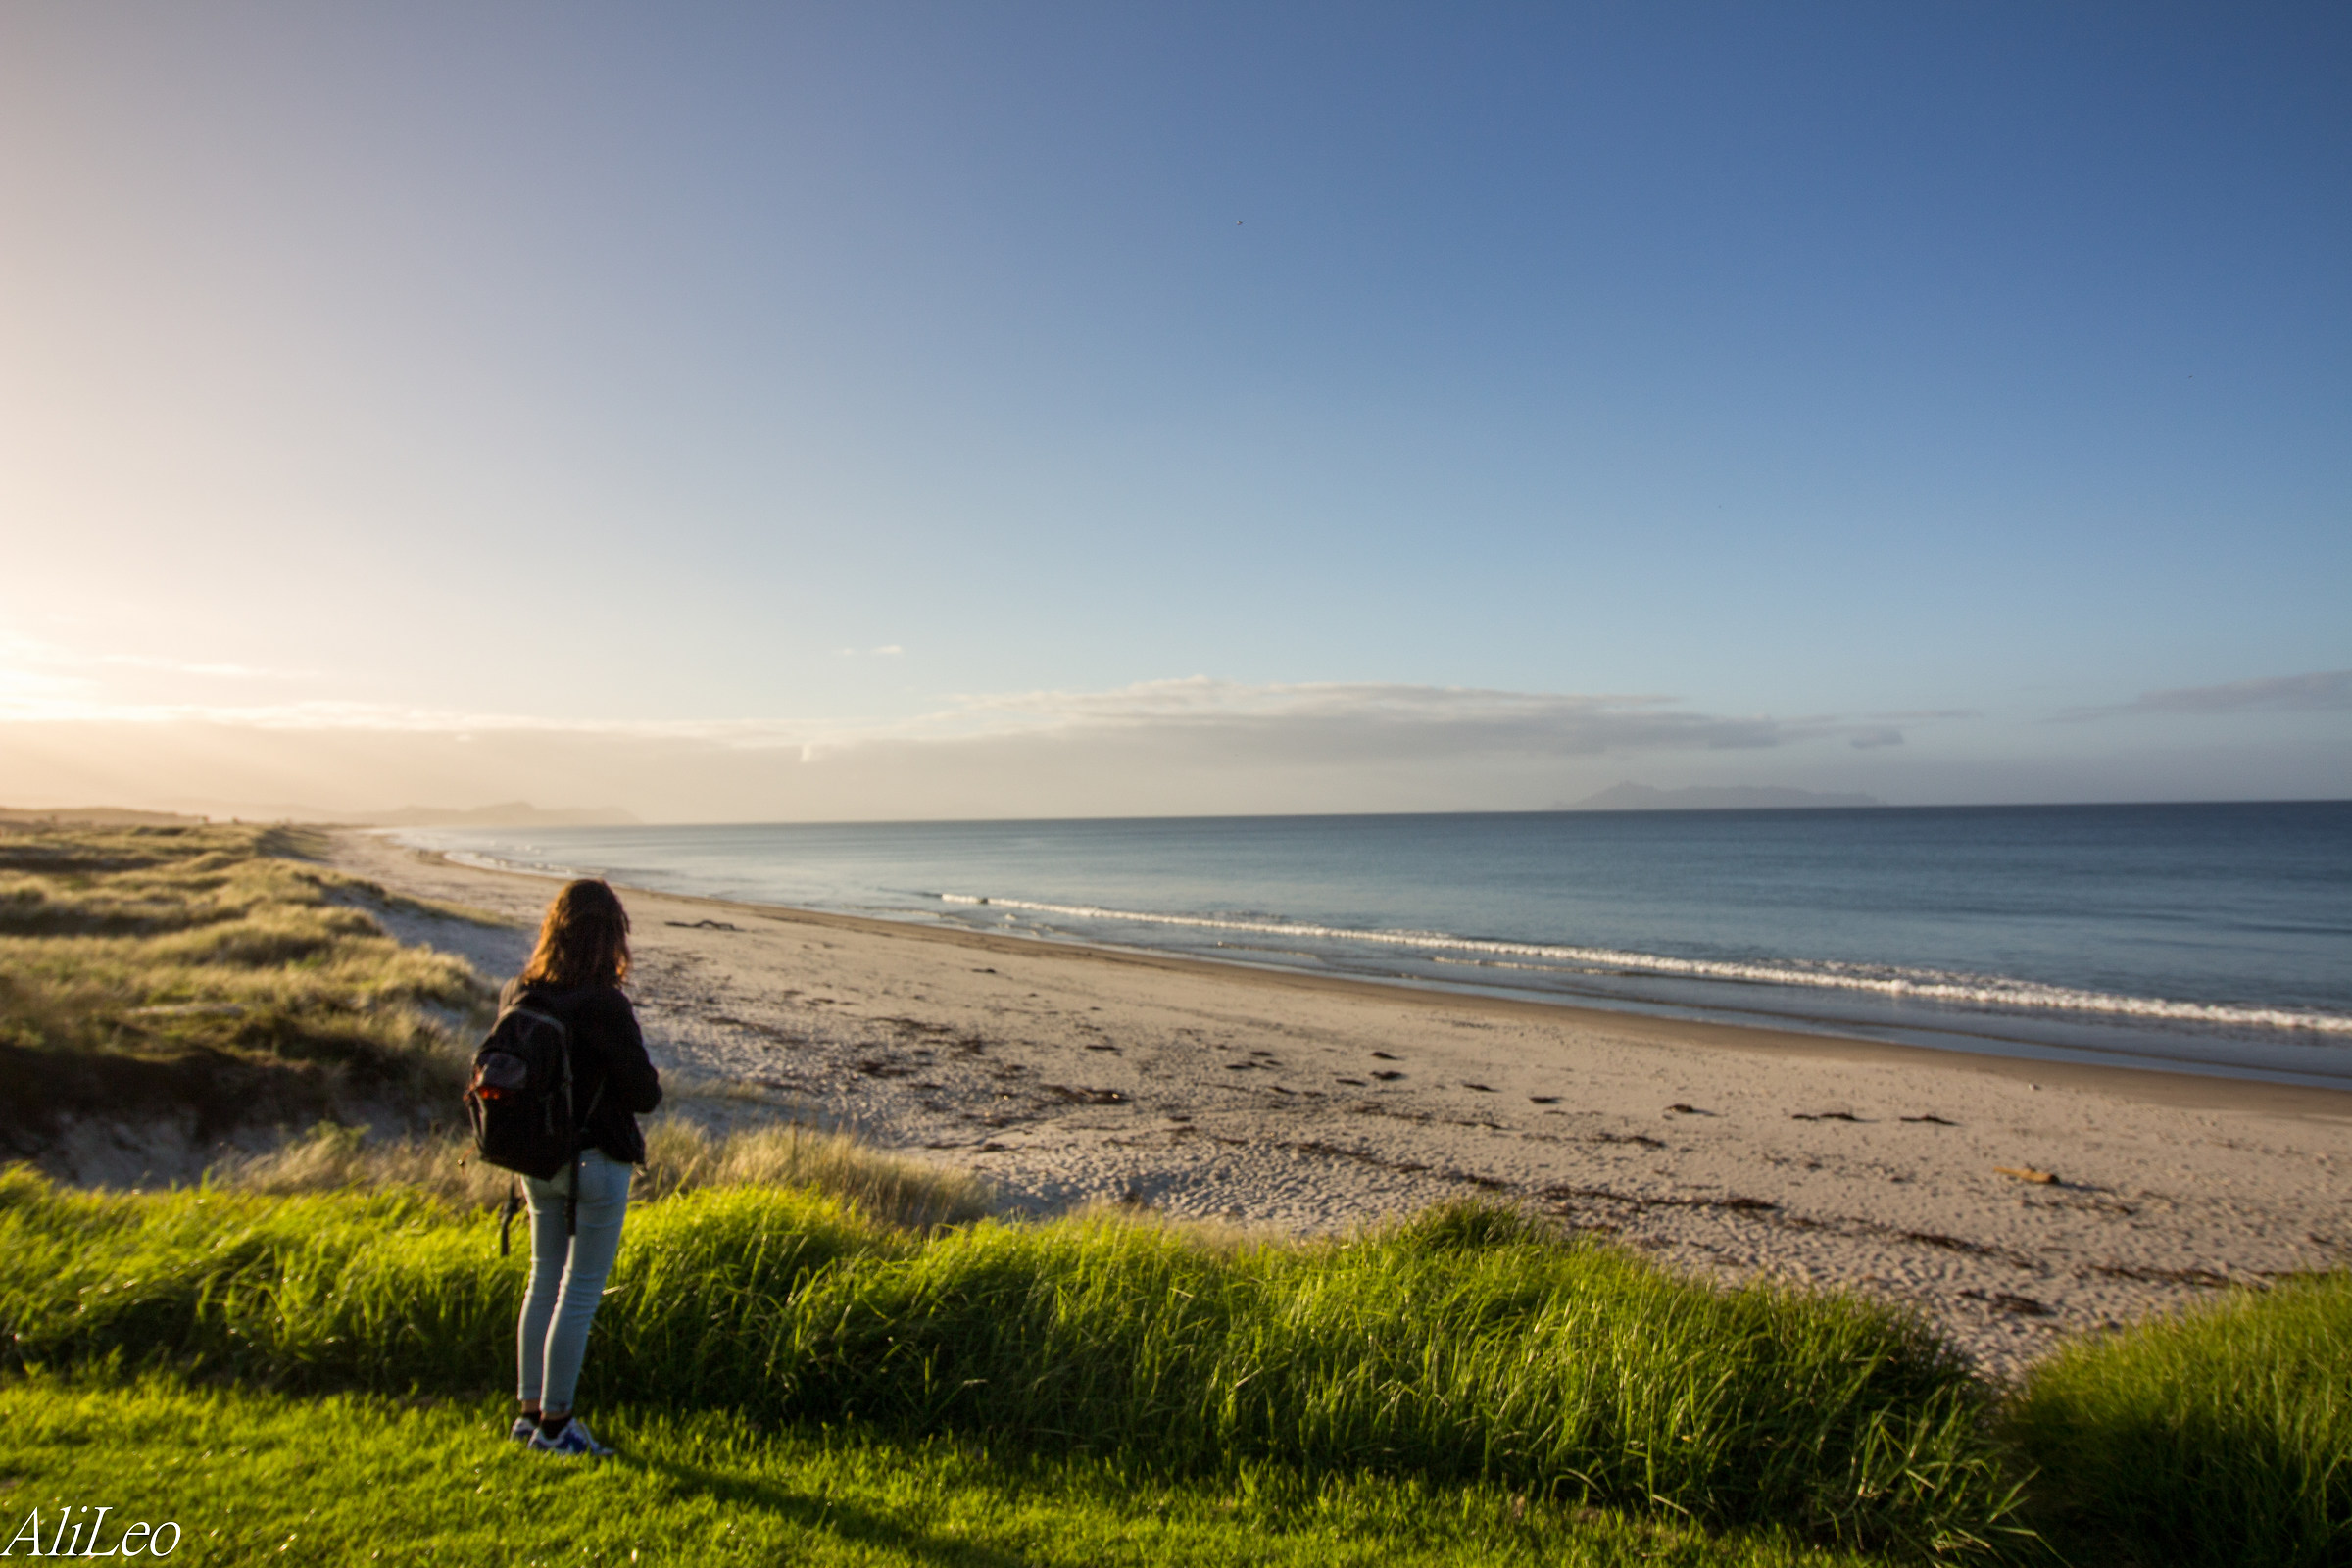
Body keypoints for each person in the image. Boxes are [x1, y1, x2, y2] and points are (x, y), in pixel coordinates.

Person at [502, 878, 662, 1458]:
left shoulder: (520, 992)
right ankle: (558, 1424)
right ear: (612, 936)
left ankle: (529, 1414)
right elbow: (644, 1094)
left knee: (543, 1278)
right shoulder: (603, 1004)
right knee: (581, 1290)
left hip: (535, 1160)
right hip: (595, 1162)